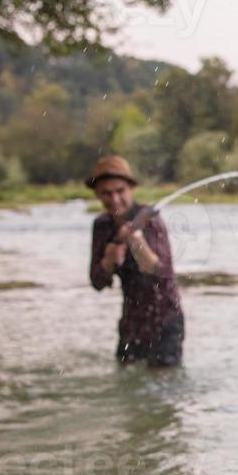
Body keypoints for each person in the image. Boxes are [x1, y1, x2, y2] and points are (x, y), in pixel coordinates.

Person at [87, 156, 185, 368]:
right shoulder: (101, 225)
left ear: (131, 188)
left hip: (165, 320)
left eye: (120, 191)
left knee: (161, 390)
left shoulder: (150, 220)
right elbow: (96, 282)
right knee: (126, 387)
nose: (114, 199)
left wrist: (135, 240)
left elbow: (161, 271)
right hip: (130, 323)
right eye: (106, 193)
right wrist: (108, 261)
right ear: (96, 194)